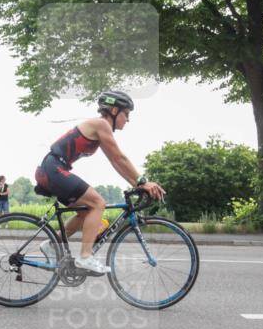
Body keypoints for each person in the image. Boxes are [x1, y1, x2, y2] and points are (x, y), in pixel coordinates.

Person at [33, 90, 165, 274]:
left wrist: (138, 184)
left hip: (53, 168)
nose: (128, 119)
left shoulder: (101, 127)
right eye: (126, 114)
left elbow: (115, 161)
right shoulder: (101, 124)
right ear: (113, 110)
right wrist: (143, 181)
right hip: (54, 168)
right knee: (97, 203)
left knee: (87, 211)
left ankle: (51, 244)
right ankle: (85, 257)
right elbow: (119, 157)